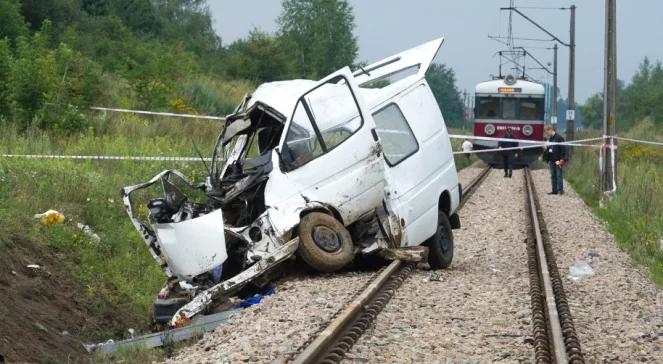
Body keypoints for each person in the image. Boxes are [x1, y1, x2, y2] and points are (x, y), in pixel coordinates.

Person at [543, 125, 568, 195]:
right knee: (553, 175)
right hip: (551, 160)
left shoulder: (559, 138)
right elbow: (549, 149)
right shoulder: (550, 139)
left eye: (547, 133)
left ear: (550, 130)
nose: (547, 134)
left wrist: (563, 159)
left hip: (557, 160)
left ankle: (560, 190)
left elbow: (564, 149)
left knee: (558, 174)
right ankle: (554, 190)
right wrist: (546, 149)